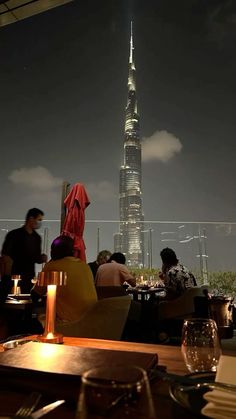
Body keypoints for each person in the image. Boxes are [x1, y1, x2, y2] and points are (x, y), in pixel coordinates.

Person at [32, 235, 97, 322]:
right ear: (72, 251)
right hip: (92, 321)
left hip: (69, 323)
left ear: (54, 251)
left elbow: (36, 294)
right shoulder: (84, 265)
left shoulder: (52, 266)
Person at [1, 208, 47, 293]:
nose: (40, 223)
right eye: (39, 219)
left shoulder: (37, 238)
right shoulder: (14, 235)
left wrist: (42, 258)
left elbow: (36, 258)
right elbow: (5, 255)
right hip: (14, 275)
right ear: (31, 219)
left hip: (28, 277)